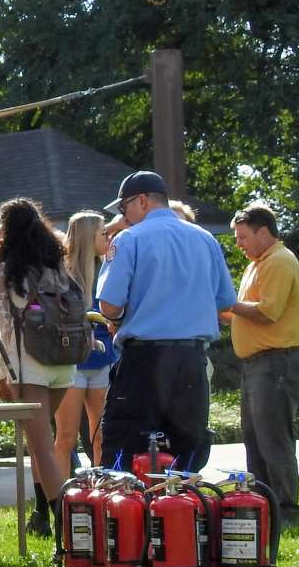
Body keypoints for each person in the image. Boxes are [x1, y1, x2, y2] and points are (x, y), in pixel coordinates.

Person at [96, 171, 235, 474]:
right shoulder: (206, 239)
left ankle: (127, 518)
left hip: (144, 360)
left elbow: (108, 304)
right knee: (186, 449)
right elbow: (225, 301)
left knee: (125, 445)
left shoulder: (129, 239)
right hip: (192, 360)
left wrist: (120, 318)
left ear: (142, 201)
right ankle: (182, 517)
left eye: (124, 208)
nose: (124, 216)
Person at [0, 199, 79, 538]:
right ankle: (44, 517)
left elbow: (3, 327)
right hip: (63, 363)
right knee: (45, 444)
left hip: (28, 365)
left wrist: (3, 373)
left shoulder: (3, 271)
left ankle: (67, 525)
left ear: (5, 230)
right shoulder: (56, 264)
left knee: (42, 449)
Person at [224, 203, 299, 527]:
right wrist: (219, 309)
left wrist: (228, 303)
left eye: (243, 237)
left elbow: (267, 311)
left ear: (263, 231)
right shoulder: (258, 264)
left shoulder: (279, 262)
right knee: (255, 438)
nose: (239, 244)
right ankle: (262, 506)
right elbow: (244, 311)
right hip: (259, 364)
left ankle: (286, 511)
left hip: (276, 363)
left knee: (273, 439)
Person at [54, 212, 116, 473]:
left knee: (101, 435)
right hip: (72, 362)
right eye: (103, 233)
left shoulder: (109, 267)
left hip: (103, 359)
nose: (108, 237)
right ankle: (59, 500)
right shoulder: (63, 272)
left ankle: (101, 495)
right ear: (89, 236)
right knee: (66, 437)